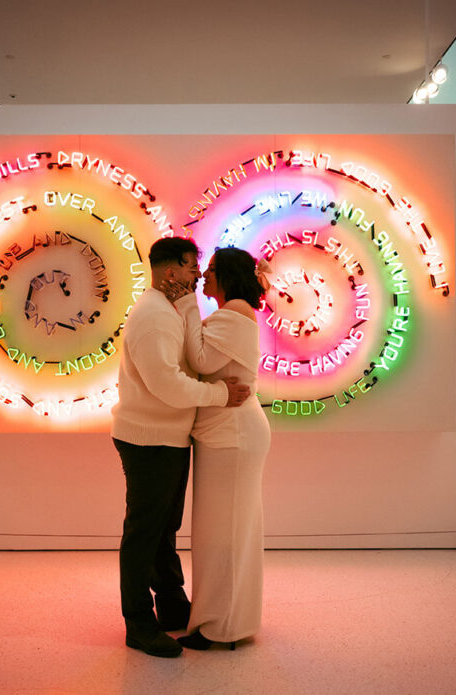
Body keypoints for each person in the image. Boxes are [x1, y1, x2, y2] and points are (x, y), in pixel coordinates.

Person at [111, 237, 252, 659]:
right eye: (192, 267)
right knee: (144, 533)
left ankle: (172, 606)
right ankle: (138, 623)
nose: (197, 275)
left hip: (167, 437)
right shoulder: (154, 316)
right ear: (171, 270)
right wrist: (219, 396)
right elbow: (168, 384)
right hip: (148, 439)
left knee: (163, 530)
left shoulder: (168, 310)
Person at [163, 247, 271, 651]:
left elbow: (202, 359)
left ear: (226, 275)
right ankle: (226, 621)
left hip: (233, 436)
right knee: (227, 531)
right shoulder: (236, 312)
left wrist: (188, 306)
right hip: (228, 434)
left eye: (209, 271)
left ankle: (218, 627)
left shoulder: (234, 312)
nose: (202, 278)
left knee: (221, 533)